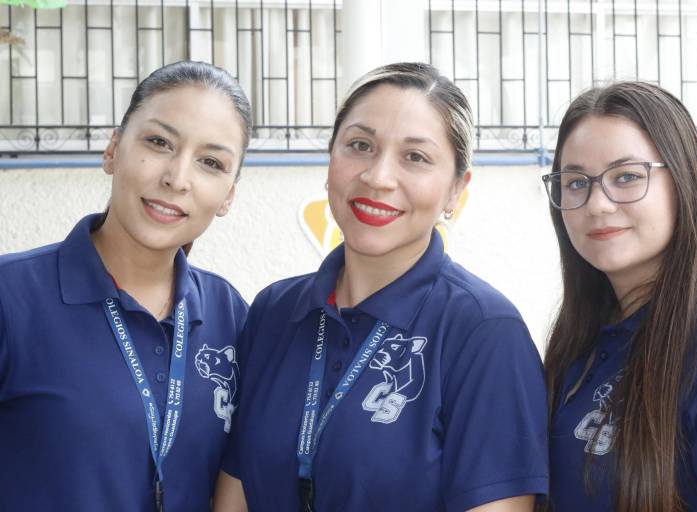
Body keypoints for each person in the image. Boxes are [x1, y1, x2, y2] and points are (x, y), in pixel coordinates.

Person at [213, 62, 548, 512]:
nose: (378, 176)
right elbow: (234, 493)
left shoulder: (484, 331)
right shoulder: (275, 311)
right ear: (330, 159)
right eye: (360, 145)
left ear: (456, 190)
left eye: (415, 157)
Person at [0, 60, 252, 511]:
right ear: (113, 149)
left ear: (229, 195)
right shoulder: (12, 296)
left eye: (210, 162)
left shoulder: (230, 313)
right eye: (159, 142)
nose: (177, 178)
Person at [541, 81, 697, 511]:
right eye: (575, 183)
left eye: (626, 177)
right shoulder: (581, 340)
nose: (597, 204)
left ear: (683, 180)